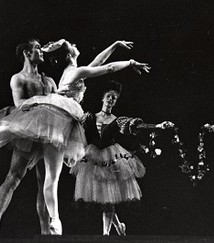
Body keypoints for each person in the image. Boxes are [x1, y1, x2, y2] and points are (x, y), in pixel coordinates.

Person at [0, 39, 150, 234]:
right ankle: (17, 222)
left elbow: (98, 63)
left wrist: (114, 45)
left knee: (42, 175)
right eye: (74, 46)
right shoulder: (64, 73)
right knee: (31, 175)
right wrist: (130, 63)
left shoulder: (64, 75)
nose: (76, 45)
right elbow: (107, 69)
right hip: (50, 118)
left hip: (56, 120)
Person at [71, 81, 173, 235]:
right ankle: (119, 227)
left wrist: (158, 126)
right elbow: (74, 125)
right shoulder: (90, 117)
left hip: (112, 159)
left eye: (114, 98)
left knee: (109, 200)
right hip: (92, 158)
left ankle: (106, 234)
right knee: (106, 199)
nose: (111, 99)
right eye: (109, 96)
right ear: (103, 98)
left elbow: (136, 126)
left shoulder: (117, 120)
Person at [0, 38, 57, 238]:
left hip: (48, 133)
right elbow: (19, 102)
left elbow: (58, 103)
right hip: (28, 131)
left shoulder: (48, 80)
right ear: (26, 53)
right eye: (37, 48)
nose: (41, 51)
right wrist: (41, 103)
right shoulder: (19, 79)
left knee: (46, 182)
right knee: (14, 176)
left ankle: (46, 230)